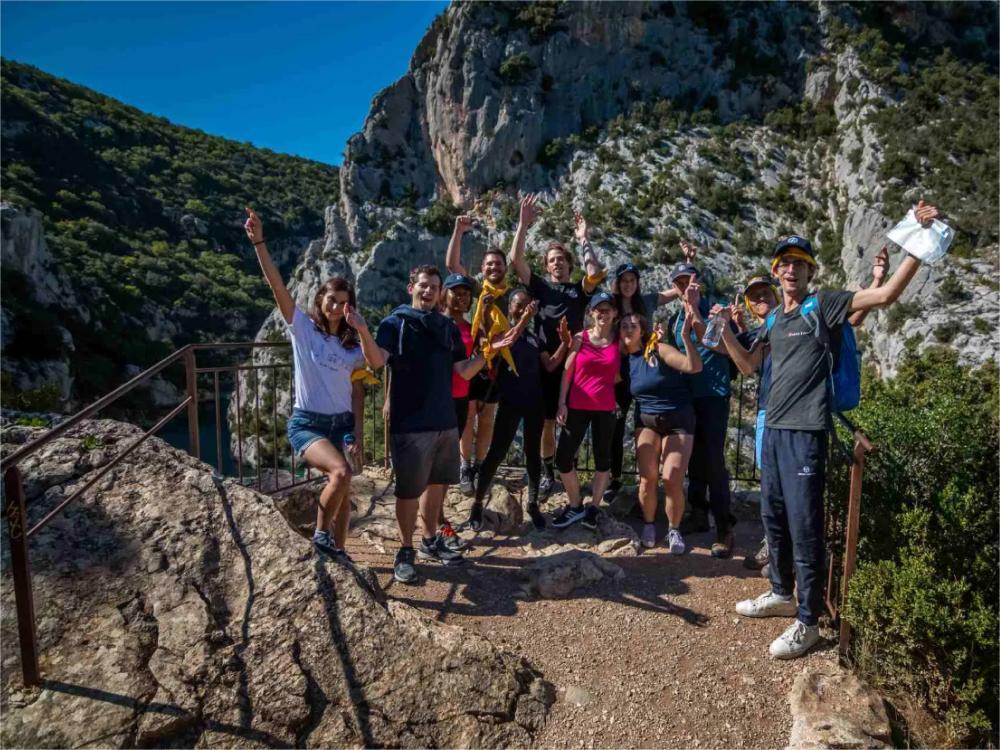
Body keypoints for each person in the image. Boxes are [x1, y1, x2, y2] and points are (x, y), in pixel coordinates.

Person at [731, 201, 941, 659]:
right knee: (775, 519)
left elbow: (882, 299)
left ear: (809, 273)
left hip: (808, 431)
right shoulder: (773, 320)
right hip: (776, 431)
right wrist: (714, 330)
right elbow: (749, 367)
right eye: (784, 263)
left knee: (806, 529)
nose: (790, 270)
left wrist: (916, 249)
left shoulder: (821, 304)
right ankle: (781, 594)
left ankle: (808, 623)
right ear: (776, 270)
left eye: (799, 264)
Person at [244, 207, 382, 562]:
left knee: (345, 485)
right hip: (308, 423)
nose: (336, 306)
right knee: (338, 472)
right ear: (320, 300)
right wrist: (259, 241)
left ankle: (339, 549)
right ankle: (321, 538)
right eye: (331, 300)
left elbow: (377, 363)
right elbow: (277, 286)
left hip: (340, 425)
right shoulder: (303, 330)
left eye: (343, 302)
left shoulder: (351, 347)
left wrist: (363, 327)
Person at [374, 264, 515, 584]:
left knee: (437, 483)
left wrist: (492, 349)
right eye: (423, 285)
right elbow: (378, 361)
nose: (428, 291)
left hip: (444, 420)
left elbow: (463, 370)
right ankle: (406, 549)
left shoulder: (447, 327)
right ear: (411, 287)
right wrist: (359, 332)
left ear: (440, 294)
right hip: (410, 422)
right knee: (409, 490)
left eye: (433, 287)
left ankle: (429, 540)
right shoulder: (393, 323)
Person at [510, 195, 605, 498]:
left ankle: (568, 468)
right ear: (547, 266)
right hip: (544, 361)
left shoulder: (579, 290)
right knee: (547, 421)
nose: (557, 264)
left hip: (575, 362)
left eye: (561, 259)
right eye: (552, 260)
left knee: (573, 420)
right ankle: (548, 469)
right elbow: (516, 261)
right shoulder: (540, 286)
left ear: (568, 263)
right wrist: (523, 225)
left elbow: (594, 274)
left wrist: (583, 239)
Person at [466, 289, 555, 531]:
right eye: (518, 305)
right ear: (510, 308)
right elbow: (502, 343)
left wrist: (568, 344)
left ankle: (533, 504)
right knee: (496, 452)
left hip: (535, 402)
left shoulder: (537, 340)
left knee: (533, 453)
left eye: (527, 305)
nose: (523, 309)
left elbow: (549, 365)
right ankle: (476, 504)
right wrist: (523, 318)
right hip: (510, 403)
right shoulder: (502, 334)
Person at [666, 258, 738, 558]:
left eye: (688, 281)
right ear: (674, 286)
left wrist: (694, 309)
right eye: (679, 282)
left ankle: (724, 527)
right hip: (686, 396)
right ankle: (698, 514)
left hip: (713, 394)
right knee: (692, 459)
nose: (685, 287)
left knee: (713, 462)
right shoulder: (672, 320)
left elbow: (712, 342)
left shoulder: (716, 312)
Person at [620, 307, 702, 552]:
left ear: (642, 330)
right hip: (647, 421)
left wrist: (686, 336)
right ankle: (648, 524)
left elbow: (692, 366)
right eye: (623, 325)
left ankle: (673, 530)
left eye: (632, 325)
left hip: (678, 420)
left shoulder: (659, 349)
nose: (627, 329)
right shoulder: (624, 360)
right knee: (647, 478)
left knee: (672, 477)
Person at [445, 215, 511, 494]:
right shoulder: (476, 289)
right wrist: (458, 232)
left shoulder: (510, 294)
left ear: (505, 268)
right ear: (482, 270)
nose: (494, 267)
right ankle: (464, 465)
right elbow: (451, 265)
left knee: (487, 419)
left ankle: (480, 464)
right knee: (469, 415)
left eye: (498, 263)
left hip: (497, 365)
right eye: (489, 264)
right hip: (472, 362)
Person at [608, 261, 679, 501]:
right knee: (615, 425)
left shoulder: (647, 301)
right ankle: (615, 477)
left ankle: (647, 483)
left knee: (645, 423)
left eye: (631, 280)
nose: (627, 285)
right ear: (617, 284)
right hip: (618, 370)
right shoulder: (611, 304)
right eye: (623, 281)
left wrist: (687, 263)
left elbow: (676, 291)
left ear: (637, 283)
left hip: (643, 368)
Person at [551, 291, 620, 529]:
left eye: (607, 309)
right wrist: (561, 402)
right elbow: (567, 372)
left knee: (603, 460)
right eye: (598, 309)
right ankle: (575, 504)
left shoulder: (618, 340)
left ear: (614, 313)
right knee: (563, 458)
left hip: (605, 408)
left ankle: (594, 507)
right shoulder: (580, 338)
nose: (603, 313)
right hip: (577, 406)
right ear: (592, 313)